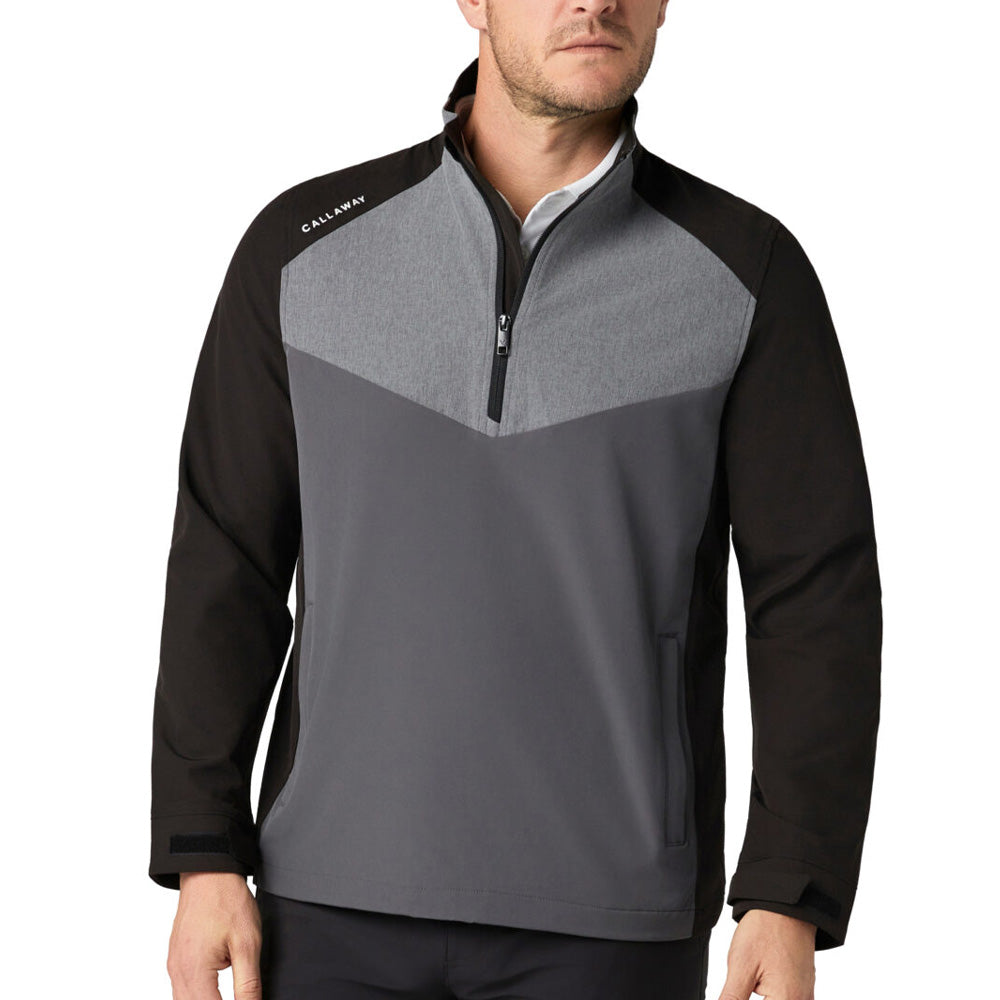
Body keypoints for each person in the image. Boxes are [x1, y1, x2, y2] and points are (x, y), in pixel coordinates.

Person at [149, 1, 882, 998]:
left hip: (612, 922)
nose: (596, 1)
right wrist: (203, 852)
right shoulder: (303, 249)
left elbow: (816, 599)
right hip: (324, 904)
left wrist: (789, 891)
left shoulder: (745, 273)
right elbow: (224, 563)